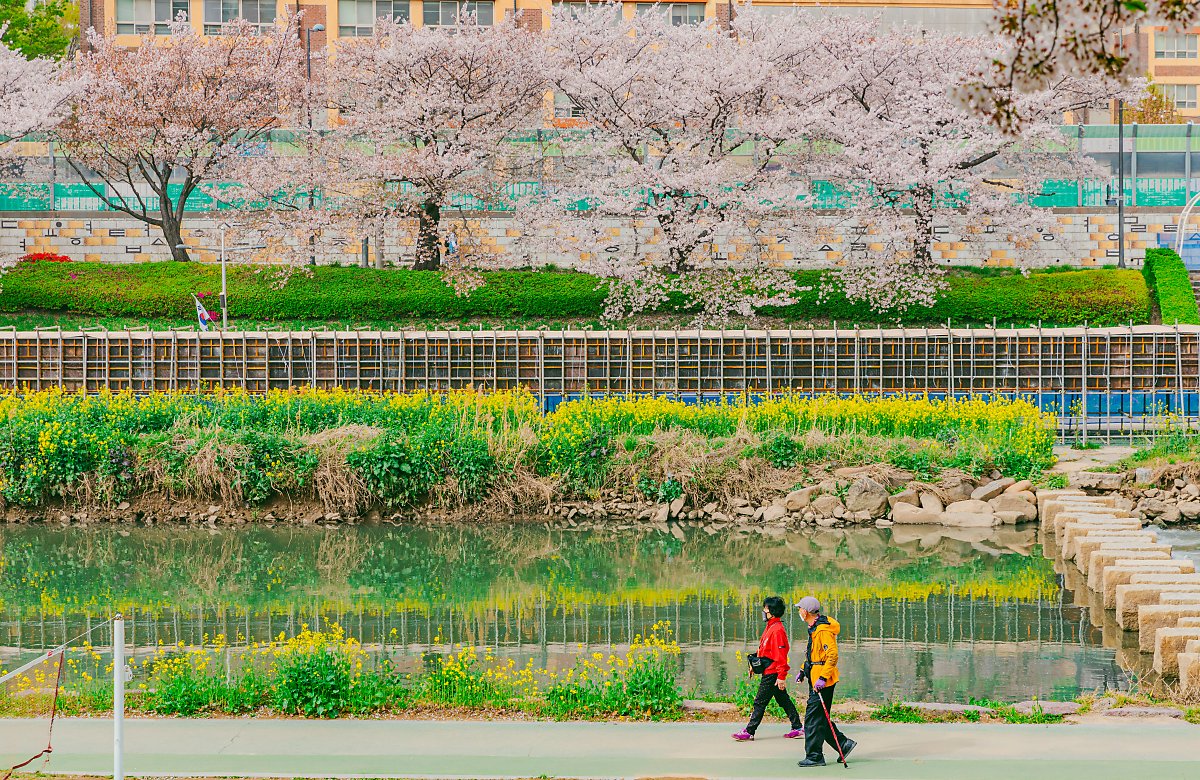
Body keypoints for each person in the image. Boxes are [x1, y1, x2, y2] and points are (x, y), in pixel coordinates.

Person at [794, 595, 856, 767]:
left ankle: (815, 756)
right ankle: (844, 744)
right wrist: (803, 670)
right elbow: (814, 655)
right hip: (815, 677)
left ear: (806, 612)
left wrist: (822, 678)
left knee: (813, 719)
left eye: (800, 609)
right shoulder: (815, 628)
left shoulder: (823, 631)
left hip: (822, 682)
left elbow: (832, 655)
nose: (799, 611)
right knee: (820, 717)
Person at [732, 596, 804, 742]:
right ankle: (797, 727)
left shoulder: (777, 630)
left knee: (760, 702)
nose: (763, 611)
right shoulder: (771, 626)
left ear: (772, 611)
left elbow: (781, 655)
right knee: (783, 700)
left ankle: (749, 731)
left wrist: (781, 676)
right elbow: (765, 650)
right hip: (770, 670)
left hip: (773, 672)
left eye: (766, 608)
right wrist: (754, 664)